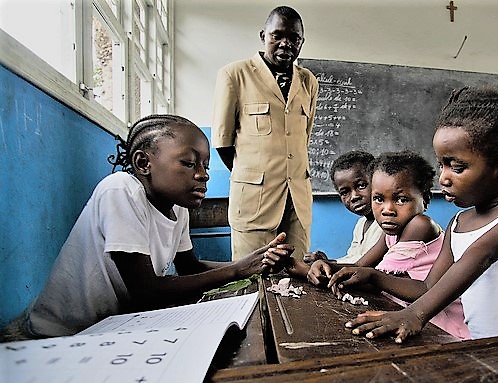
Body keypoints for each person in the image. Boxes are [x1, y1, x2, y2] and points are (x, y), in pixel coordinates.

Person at [9, 114, 293, 339]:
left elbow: (190, 269)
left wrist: (251, 262)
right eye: (189, 163)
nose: (203, 175)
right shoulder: (120, 190)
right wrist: (236, 270)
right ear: (143, 163)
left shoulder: (178, 206)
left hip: (114, 328)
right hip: (60, 335)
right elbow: (147, 292)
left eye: (205, 165)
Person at [342, 87, 498, 342]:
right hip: (486, 350)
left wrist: (415, 315)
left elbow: (482, 252)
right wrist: (374, 276)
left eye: (457, 167)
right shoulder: (458, 224)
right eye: (441, 164)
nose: (443, 177)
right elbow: (427, 289)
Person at [309, 151, 469, 339]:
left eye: (401, 199)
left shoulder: (420, 225)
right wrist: (326, 266)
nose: (387, 210)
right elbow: (361, 267)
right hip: (408, 315)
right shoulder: (390, 232)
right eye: (378, 199)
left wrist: (305, 271)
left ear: (425, 200)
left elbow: (374, 278)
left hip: (439, 325)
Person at [212, 5, 318, 261]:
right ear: (263, 36)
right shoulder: (235, 75)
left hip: (298, 202)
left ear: (302, 42)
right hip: (254, 201)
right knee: (251, 277)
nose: (285, 44)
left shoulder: (308, 81)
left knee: (296, 280)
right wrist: (254, 175)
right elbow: (223, 143)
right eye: (277, 35)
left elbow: (304, 138)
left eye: (294, 38)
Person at [287, 150, 383, 277]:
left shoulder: (385, 224)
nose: (354, 196)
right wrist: (327, 262)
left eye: (361, 186)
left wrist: (309, 270)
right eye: (344, 192)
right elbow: (353, 259)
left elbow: (363, 267)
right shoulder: (361, 224)